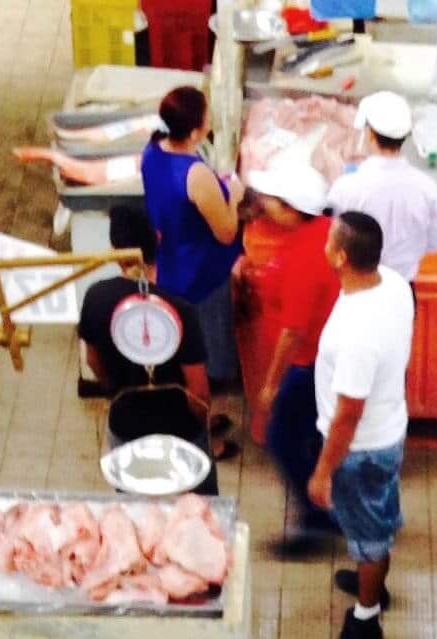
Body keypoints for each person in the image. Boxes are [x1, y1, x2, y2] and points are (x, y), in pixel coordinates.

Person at [311, 210, 417, 639]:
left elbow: (348, 414)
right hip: (390, 425)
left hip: (362, 449)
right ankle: (372, 579)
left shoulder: (355, 334)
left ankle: (366, 619)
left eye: (330, 240)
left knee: (369, 538)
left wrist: (323, 470)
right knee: (376, 519)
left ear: (340, 256)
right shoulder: (392, 284)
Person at [237, 156, 342, 544]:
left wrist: (270, 385)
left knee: (281, 437)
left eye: (273, 200)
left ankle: (316, 517)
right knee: (310, 433)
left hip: (308, 365)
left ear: (292, 210)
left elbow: (292, 332)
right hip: (328, 357)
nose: (264, 203)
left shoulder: (304, 258)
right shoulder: (328, 232)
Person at [77, 201, 219, 480]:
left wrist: (119, 388)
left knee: (135, 510)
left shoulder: (95, 297)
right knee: (194, 510)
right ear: (158, 239)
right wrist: (201, 427)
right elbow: (199, 391)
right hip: (180, 432)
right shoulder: (180, 308)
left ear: (115, 252)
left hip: (125, 425)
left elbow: (93, 359)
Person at [142, 86, 245, 397]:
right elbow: (225, 231)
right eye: (207, 117)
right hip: (200, 267)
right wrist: (235, 199)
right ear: (195, 131)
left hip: (171, 257)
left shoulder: (152, 150)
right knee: (209, 330)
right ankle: (211, 382)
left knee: (186, 327)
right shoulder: (195, 174)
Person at [329, 91, 437, 282]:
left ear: (369, 133)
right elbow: (434, 244)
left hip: (360, 288)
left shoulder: (345, 189)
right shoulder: (427, 188)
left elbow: (334, 245)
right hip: (404, 289)